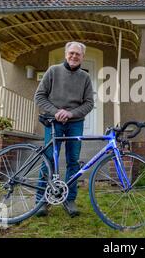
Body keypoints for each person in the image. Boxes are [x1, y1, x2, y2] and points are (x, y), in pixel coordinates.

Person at [34, 41, 94, 217]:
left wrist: (71, 114)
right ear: (66, 54)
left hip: (75, 123)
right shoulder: (53, 71)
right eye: (71, 53)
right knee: (49, 160)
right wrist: (57, 111)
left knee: (73, 160)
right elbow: (39, 96)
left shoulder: (85, 77)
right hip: (54, 121)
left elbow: (89, 103)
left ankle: (70, 200)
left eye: (78, 54)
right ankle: (41, 201)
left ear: (83, 57)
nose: (74, 56)